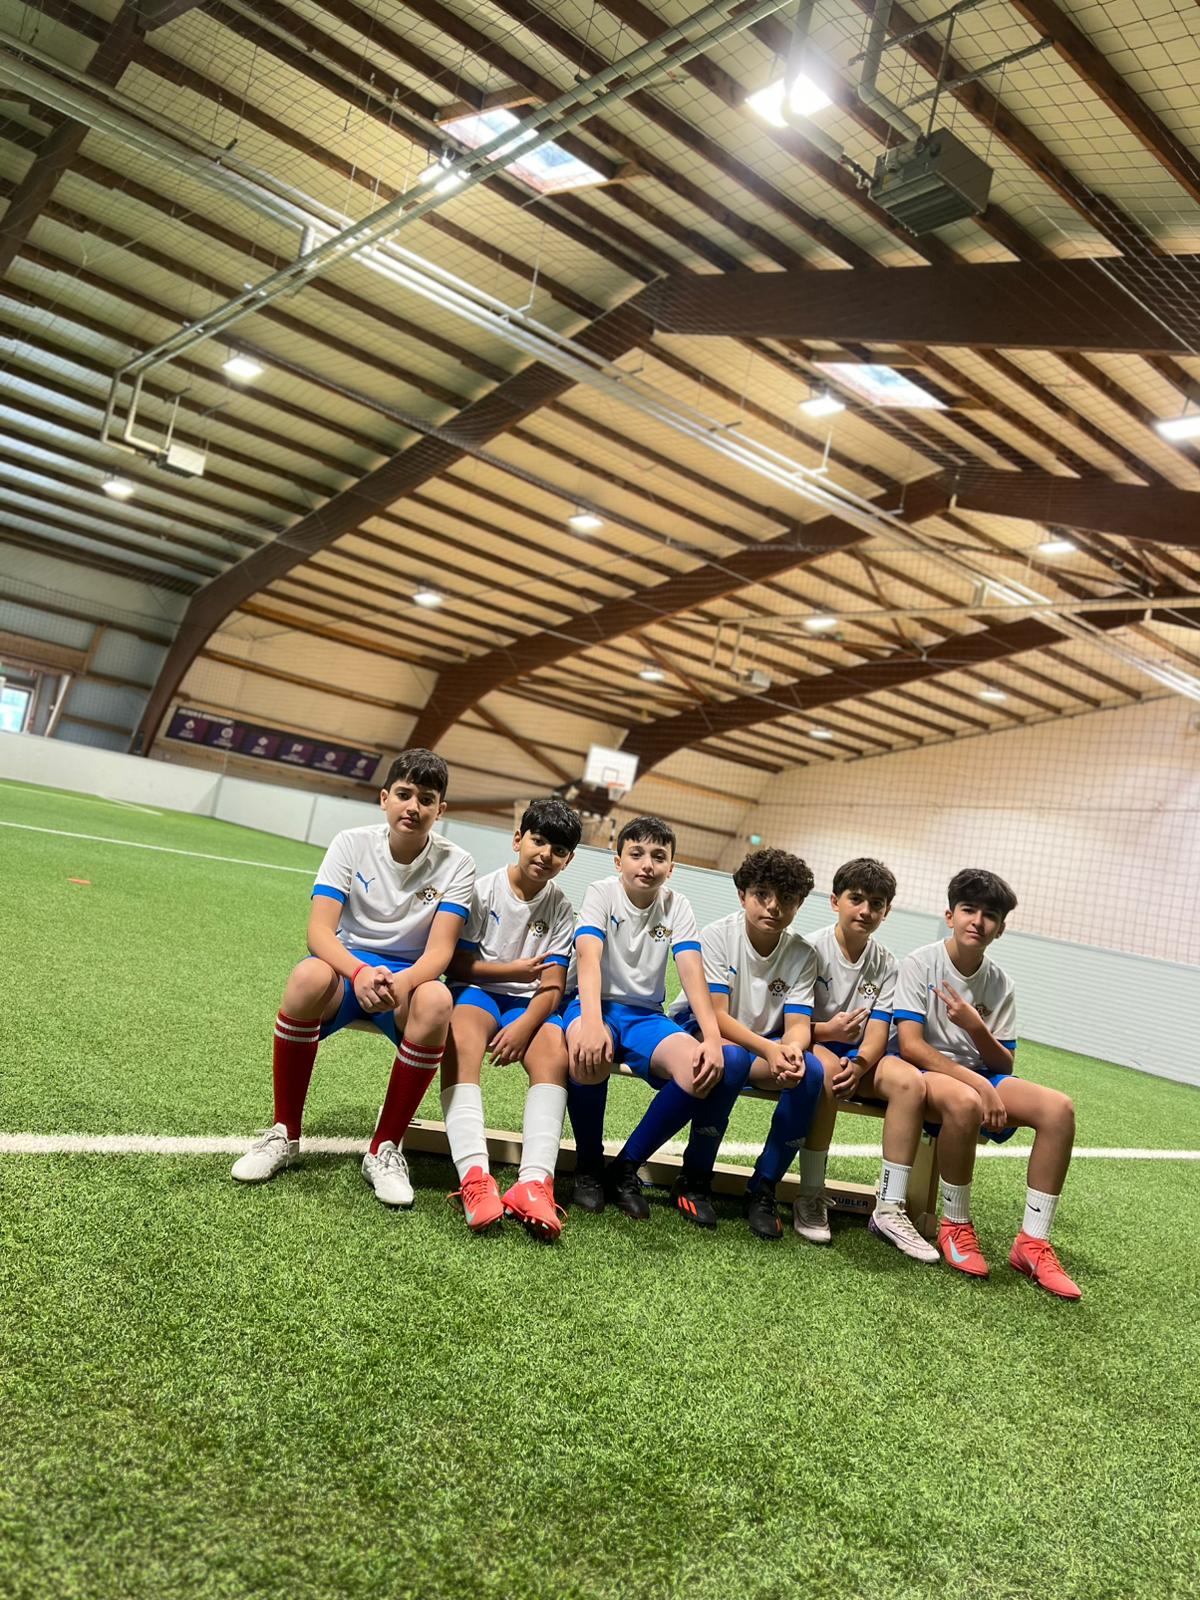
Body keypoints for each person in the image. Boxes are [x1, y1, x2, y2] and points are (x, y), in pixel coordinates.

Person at [230, 749, 474, 1208]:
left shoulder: (458, 863)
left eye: (426, 799)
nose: (413, 807)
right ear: (384, 798)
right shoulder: (350, 842)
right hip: (348, 970)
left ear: (440, 811)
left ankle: (385, 1150)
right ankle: (284, 1133)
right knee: (306, 975)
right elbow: (319, 932)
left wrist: (400, 984)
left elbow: (440, 952)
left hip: (407, 980)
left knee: (438, 1001)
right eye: (403, 795)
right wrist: (358, 971)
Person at [744, 858, 942, 1265]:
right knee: (828, 1073)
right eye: (856, 899)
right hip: (812, 1043)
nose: (865, 911)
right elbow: (788, 1025)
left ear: (886, 912)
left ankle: (889, 1208)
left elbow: (879, 1026)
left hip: (862, 1058)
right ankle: (811, 1195)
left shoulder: (887, 964)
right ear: (835, 901)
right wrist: (828, 1033)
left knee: (910, 1083)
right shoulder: (809, 948)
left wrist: (865, 1062)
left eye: (876, 903)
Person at [893, 867, 1080, 1298]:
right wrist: (980, 1086)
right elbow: (911, 1047)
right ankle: (955, 1225)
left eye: (990, 914)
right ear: (950, 915)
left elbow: (1004, 1061)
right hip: (930, 1074)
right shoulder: (920, 964)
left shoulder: (1000, 983)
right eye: (968, 909)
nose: (978, 920)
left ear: (1001, 928)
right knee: (964, 1101)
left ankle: (1032, 1242)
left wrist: (977, 1028)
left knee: (1059, 1109)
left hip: (983, 1076)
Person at [564, 815, 728, 1223]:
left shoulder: (678, 905)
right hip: (594, 1003)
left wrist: (712, 1038)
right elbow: (588, 957)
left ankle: (624, 1168)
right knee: (590, 1054)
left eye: (659, 856)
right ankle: (587, 1167)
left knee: (698, 1069)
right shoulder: (600, 893)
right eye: (636, 853)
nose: (647, 864)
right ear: (617, 859)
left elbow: (691, 970)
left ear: (671, 867)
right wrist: (589, 1021)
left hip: (645, 1016)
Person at [440, 798, 581, 1241]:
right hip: (479, 993)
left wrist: (525, 1025)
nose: (545, 855)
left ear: (568, 859)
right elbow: (457, 966)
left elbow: (553, 986)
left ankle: (533, 1182)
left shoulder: (562, 908)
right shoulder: (482, 890)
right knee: (460, 1037)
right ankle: (475, 1177)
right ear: (518, 839)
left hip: (530, 1005)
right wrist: (512, 972)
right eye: (538, 841)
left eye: (558, 850)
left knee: (553, 1052)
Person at [666, 848, 825, 1234]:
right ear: (743, 895)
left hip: (761, 1047)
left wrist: (791, 1050)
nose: (773, 907)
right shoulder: (718, 936)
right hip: (704, 1035)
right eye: (762, 895)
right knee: (730, 1059)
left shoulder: (803, 953)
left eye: (786, 899)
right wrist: (770, 1049)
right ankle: (695, 1177)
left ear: (799, 904)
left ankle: (763, 1188)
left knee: (812, 1072)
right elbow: (716, 1017)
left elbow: (799, 1023)